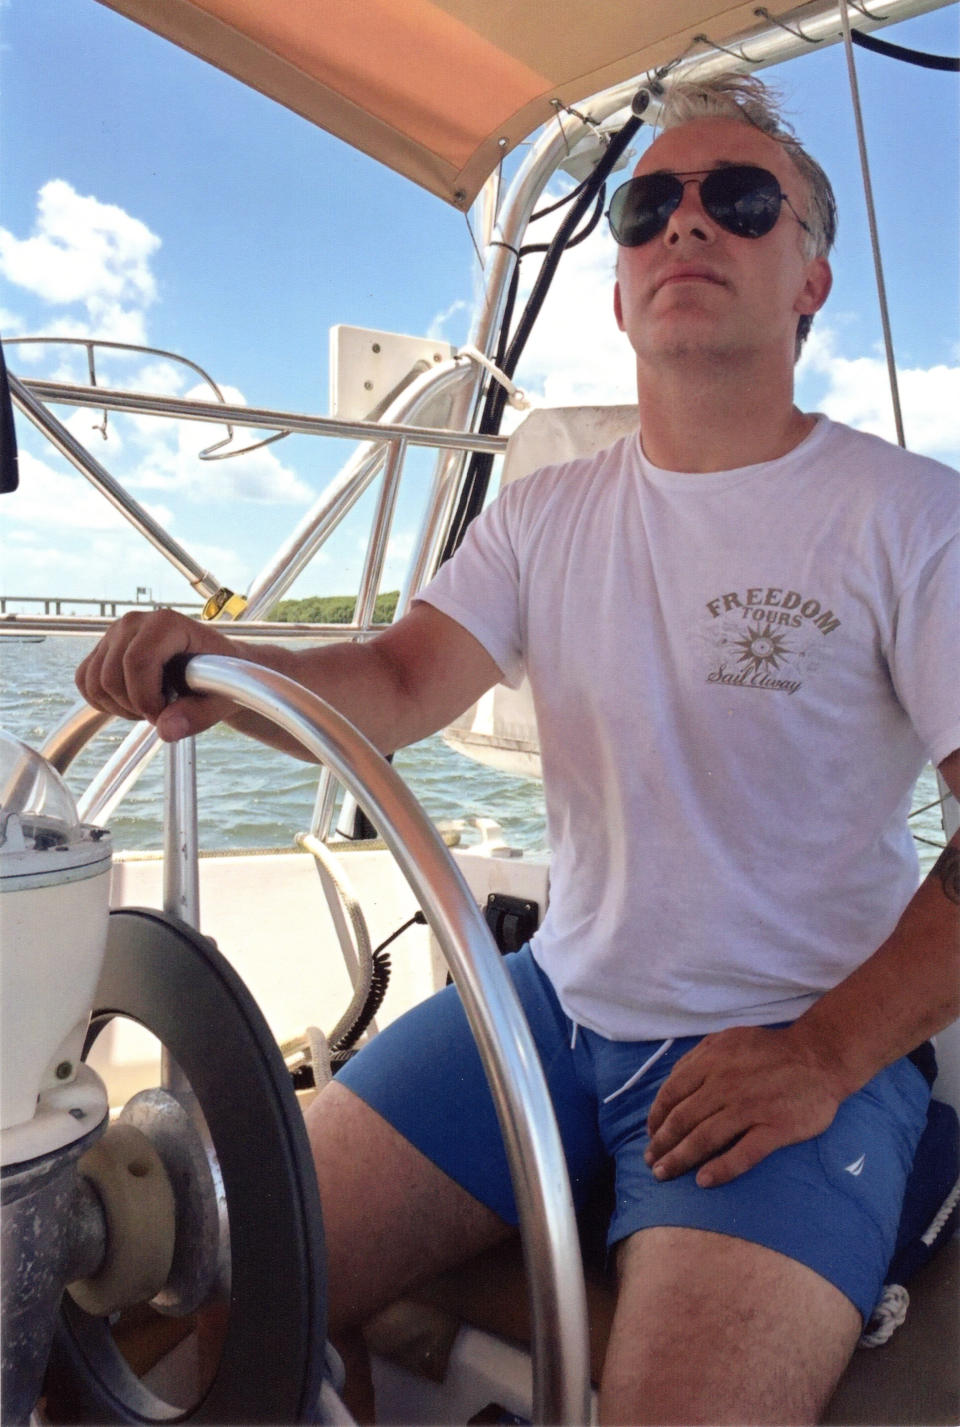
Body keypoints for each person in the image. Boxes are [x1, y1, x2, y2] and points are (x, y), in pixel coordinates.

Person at [76, 73, 959, 1425]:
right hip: (545, 1010)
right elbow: (393, 679)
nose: (684, 228)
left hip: (793, 1035)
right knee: (214, 1305)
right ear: (616, 288)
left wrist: (829, 1056)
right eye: (645, 204)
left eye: (737, 201)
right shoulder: (546, 519)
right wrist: (225, 668)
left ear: (811, 282)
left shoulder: (909, 520)